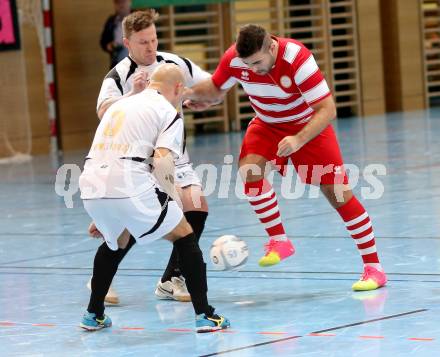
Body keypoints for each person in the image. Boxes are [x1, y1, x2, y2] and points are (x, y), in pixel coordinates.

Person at [184, 24, 387, 291]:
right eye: (248, 64)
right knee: (249, 171)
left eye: (258, 63)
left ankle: (374, 268)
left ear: (271, 47)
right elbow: (215, 87)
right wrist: (187, 95)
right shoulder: (236, 58)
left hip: (308, 125)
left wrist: (299, 139)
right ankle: (279, 240)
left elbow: (327, 109)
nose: (253, 70)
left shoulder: (297, 59)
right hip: (267, 124)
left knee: (338, 195)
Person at [79, 64, 230, 333]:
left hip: (91, 183)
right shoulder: (168, 111)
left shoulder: (120, 106)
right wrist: (172, 201)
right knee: (184, 233)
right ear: (177, 89)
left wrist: (102, 212)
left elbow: (105, 154)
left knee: (118, 241)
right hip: (127, 181)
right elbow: (162, 161)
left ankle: (94, 314)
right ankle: (206, 315)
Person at [91, 9, 212, 304]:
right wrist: (132, 93)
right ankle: (100, 279)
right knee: (132, 221)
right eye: (143, 42)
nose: (151, 47)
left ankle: (172, 279)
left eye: (154, 39)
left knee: (196, 206)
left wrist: (197, 96)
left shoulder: (173, 64)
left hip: (172, 155)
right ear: (127, 42)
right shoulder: (119, 74)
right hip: (136, 160)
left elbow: (210, 84)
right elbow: (104, 112)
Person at [100, 0, 131, 69]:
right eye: (117, 2)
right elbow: (103, 42)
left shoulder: (139, 18)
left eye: (123, 1)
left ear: (129, 1)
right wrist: (110, 46)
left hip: (138, 62)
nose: (121, 5)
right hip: (117, 62)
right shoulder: (111, 21)